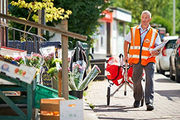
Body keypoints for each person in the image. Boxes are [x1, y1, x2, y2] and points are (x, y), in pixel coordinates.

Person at [124, 10, 161, 111]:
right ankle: (138, 98)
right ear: (141, 18)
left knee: (150, 79)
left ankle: (149, 102)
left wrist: (156, 52)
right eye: (143, 17)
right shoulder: (134, 30)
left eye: (146, 18)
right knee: (136, 80)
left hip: (149, 59)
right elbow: (126, 41)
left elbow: (158, 48)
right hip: (137, 60)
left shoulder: (155, 32)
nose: (144, 20)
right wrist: (126, 55)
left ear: (149, 19)